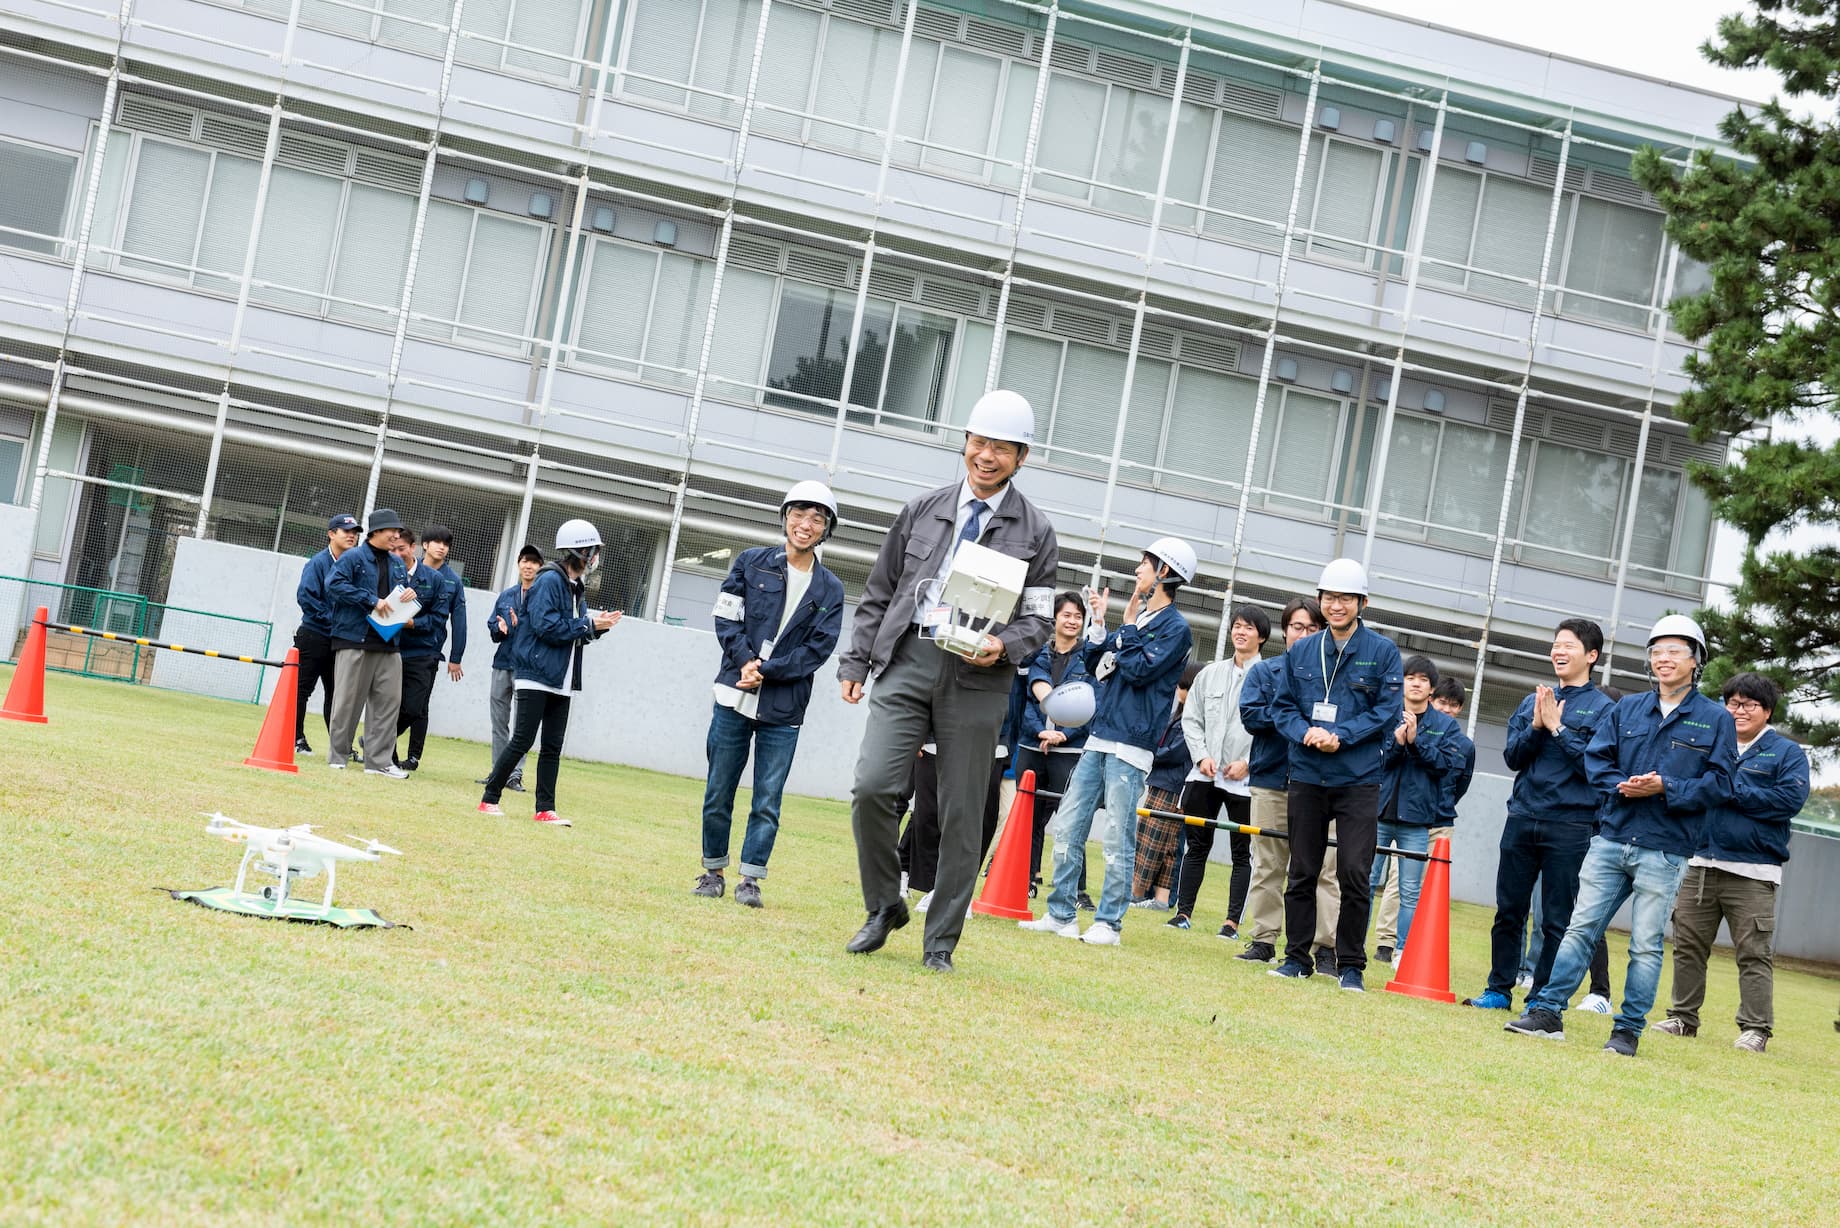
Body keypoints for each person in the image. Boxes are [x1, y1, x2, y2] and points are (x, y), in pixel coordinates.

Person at [837, 390, 1059, 973]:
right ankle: (885, 904)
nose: (986, 456)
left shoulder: (1036, 531)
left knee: (963, 813)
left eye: (1001, 449)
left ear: (1022, 456)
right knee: (872, 789)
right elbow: (880, 591)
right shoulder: (922, 508)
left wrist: (1002, 646)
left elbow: (1038, 619)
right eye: (979, 443)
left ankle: (940, 943)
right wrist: (856, 662)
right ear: (965, 443)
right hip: (909, 658)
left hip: (978, 679)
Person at [1506, 614, 1737, 1057]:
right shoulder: (1626, 708)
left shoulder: (1714, 719)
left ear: (1696, 661)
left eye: (1675, 651)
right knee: (1579, 928)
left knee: (1645, 943)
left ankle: (1627, 1030)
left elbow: (1721, 783)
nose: (1664, 659)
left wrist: (1666, 787)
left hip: (1666, 848)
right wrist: (1620, 785)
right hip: (1612, 837)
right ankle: (1548, 1013)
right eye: (1657, 651)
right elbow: (1597, 761)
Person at [1020, 537, 1195, 946]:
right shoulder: (1138, 622)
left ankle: (1109, 924)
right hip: (1099, 735)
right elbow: (1097, 662)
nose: (1138, 570)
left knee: (1118, 835)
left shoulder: (1176, 630)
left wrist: (1128, 626)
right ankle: (1060, 913)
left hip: (1131, 744)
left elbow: (1136, 670)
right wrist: (1103, 626)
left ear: (1164, 573)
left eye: (1145, 564)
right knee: (1067, 825)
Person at [693, 481, 845, 909]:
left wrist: (768, 672)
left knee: (767, 799)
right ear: (785, 518)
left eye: (817, 518)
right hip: (733, 695)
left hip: (784, 706)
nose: (806, 524)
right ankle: (712, 871)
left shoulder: (830, 588)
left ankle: (750, 879)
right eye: (799, 514)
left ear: (826, 529)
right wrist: (745, 662)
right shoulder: (750, 563)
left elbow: (819, 648)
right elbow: (726, 618)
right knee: (718, 788)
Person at [1652, 672, 1809, 1053]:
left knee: (1754, 952)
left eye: (1749, 704)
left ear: (1767, 711)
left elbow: (1786, 801)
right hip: (1699, 863)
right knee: (1687, 945)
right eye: (1732, 703)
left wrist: (1726, 789)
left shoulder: (1786, 753)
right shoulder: (1707, 744)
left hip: (1753, 871)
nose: (1739, 711)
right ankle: (1682, 1018)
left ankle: (1756, 1028)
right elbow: (1681, 791)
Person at [1462, 620, 1615, 1011]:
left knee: (1557, 920)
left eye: (1568, 645)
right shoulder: (1534, 700)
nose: (1558, 652)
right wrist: (1536, 727)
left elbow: (1595, 769)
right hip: (1523, 816)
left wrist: (1559, 728)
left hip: (1570, 824)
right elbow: (1513, 756)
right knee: (1509, 909)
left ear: (1591, 656)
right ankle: (1498, 988)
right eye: (1555, 644)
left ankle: (1542, 998)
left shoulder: (1605, 711)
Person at [1266, 558, 1403, 992]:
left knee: (1354, 873)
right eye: (1329, 597)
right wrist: (1305, 731)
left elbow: (1386, 712)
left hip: (1357, 779)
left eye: (1345, 598)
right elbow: (1281, 707)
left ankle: (1351, 966)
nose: (1336, 605)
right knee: (1302, 869)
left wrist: (1340, 736)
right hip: (1306, 773)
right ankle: (1296, 957)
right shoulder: (1302, 650)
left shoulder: (1382, 652)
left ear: (1362, 603)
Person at [476, 519, 621, 826]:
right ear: (578, 551)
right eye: (592, 550)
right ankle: (489, 797)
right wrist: (588, 625)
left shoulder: (574, 587)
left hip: (562, 678)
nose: (595, 557)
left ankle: (545, 808)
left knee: (553, 746)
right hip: (536, 674)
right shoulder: (549, 580)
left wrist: (598, 628)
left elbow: (572, 632)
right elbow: (545, 626)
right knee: (523, 739)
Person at [1235, 597, 1333, 964]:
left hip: (1323, 784)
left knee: (1324, 869)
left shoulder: (1332, 679)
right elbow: (1252, 717)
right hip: (1272, 780)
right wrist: (1292, 715)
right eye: (1297, 627)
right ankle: (1263, 939)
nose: (1303, 634)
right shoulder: (1266, 672)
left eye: (1312, 628)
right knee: (1268, 865)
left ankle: (1323, 948)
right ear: (1285, 631)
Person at [1167, 606, 1267, 933]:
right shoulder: (1209, 673)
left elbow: (1273, 729)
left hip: (1245, 780)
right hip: (1205, 774)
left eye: (1248, 628)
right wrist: (1200, 756)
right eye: (1237, 626)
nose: (1240, 632)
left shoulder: (1270, 677)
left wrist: (1249, 763)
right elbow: (1191, 719)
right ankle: (1183, 913)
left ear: (1261, 636)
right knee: (1197, 845)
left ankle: (1231, 922)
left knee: (1242, 851)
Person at [1368, 656, 1465, 961]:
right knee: (1365, 882)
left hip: (1417, 820)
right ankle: (1352, 944)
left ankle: (1401, 951)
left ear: (1431, 689)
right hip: (1378, 813)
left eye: (1423, 679)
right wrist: (1397, 744)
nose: (1416, 683)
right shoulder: (1385, 714)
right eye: (1410, 677)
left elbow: (1445, 766)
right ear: (1401, 681)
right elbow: (1375, 761)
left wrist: (1415, 743)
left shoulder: (1445, 725)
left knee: (1410, 891)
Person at [1018, 593, 1097, 902]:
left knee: (1072, 816)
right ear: (1055, 619)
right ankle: (1024, 877)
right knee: (1028, 815)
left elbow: (1093, 703)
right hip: (1032, 744)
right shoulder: (1038, 654)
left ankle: (1077, 889)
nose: (1072, 621)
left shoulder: (1088, 657)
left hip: (1069, 750)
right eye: (1066, 614)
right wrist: (1040, 731)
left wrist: (1064, 733)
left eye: (1078, 616)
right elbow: (1026, 698)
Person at [325, 508, 411, 777]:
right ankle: (338, 756)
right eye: (391, 531)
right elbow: (334, 585)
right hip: (354, 639)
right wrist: (371, 600)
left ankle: (379, 762)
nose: (396, 536)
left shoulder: (398, 563)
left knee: (389, 704)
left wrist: (406, 597)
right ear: (376, 532)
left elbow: (396, 595)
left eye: (398, 532)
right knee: (347, 701)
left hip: (389, 641)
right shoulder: (353, 557)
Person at [1130, 661, 1203, 910]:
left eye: (1182, 685)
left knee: (1150, 840)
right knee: (1168, 844)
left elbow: (1174, 753)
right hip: (1168, 783)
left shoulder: (1192, 720)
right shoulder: (1178, 715)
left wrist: (1149, 751)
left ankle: (1136, 892)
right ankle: (1161, 898)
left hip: (1172, 786)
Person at [393, 528, 463, 771]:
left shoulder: (452, 580)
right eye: (436, 542)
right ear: (423, 545)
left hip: (427, 649)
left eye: (446, 543)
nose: (441, 547)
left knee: (418, 706)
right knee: (392, 702)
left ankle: (413, 756)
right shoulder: (402, 568)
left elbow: (458, 619)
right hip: (395, 647)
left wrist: (456, 656)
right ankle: (386, 749)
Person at [293, 513, 359, 754]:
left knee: (337, 694)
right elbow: (306, 598)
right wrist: (335, 622)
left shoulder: (355, 565)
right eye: (346, 531)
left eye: (354, 532)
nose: (352, 535)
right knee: (301, 690)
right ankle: (297, 739)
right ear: (331, 534)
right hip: (314, 635)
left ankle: (340, 745)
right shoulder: (318, 563)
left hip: (340, 640)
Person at [480, 545, 542, 793]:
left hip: (527, 667)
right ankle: (498, 772)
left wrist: (520, 625)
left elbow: (543, 629)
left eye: (534, 562)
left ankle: (514, 775)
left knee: (522, 726)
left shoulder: (541, 597)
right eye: (524, 561)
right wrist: (500, 628)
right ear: (518, 564)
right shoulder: (506, 596)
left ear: (540, 567)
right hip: (502, 663)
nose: (528, 566)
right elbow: (493, 628)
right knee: (499, 722)